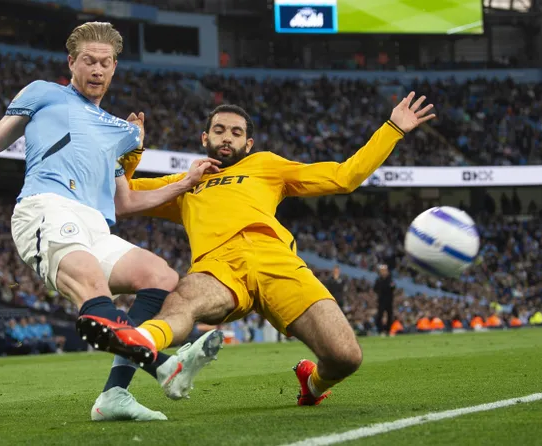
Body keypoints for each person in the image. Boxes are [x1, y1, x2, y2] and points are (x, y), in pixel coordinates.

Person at [0, 21, 223, 421]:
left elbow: (125, 201)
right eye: (89, 61)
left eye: (105, 63)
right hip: (47, 208)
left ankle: (114, 396)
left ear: (114, 68)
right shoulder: (43, 93)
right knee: (92, 287)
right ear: (71, 62)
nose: (97, 69)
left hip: (96, 226)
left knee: (160, 276)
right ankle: (163, 365)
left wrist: (185, 182)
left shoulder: (119, 131)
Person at [79, 92, 435, 406]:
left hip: (278, 263)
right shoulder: (186, 183)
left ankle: (312, 384)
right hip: (219, 268)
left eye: (236, 133)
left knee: (346, 357)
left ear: (248, 144)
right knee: (183, 301)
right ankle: (142, 343)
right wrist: (132, 151)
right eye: (219, 130)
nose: (227, 137)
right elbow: (122, 199)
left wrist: (393, 128)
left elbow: (344, 177)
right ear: (205, 138)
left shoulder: (267, 165)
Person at [374, 264, 396, 336]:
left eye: (384, 270)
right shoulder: (378, 280)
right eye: (382, 271)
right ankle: (380, 330)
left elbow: (393, 288)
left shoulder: (390, 279)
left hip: (389, 300)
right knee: (380, 315)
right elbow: (375, 289)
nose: (383, 272)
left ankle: (388, 330)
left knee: (390, 315)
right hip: (381, 300)